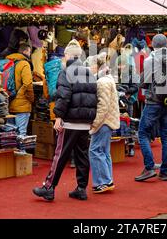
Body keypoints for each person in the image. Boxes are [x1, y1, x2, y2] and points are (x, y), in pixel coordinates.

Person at [33, 40, 97, 201]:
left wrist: (58, 116)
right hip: (85, 121)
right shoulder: (89, 73)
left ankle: (49, 187)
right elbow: (95, 96)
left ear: (67, 55)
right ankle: (81, 188)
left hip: (70, 120)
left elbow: (63, 96)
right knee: (82, 155)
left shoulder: (66, 71)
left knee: (60, 154)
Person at [135, 34, 167, 182]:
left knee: (143, 133)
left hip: (153, 101)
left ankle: (149, 167)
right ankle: (164, 171)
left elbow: (144, 83)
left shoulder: (150, 60)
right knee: (166, 136)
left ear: (152, 44)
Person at [88, 53, 120, 194]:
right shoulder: (107, 79)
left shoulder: (102, 82)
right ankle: (107, 180)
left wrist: (95, 123)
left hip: (104, 121)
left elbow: (103, 106)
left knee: (95, 151)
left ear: (96, 66)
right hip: (109, 120)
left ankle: (103, 181)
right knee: (103, 151)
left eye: (90, 65)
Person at [7, 44, 35, 137]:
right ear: (26, 51)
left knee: (10, 135)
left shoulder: (9, 62)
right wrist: (31, 99)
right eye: (30, 52)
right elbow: (28, 83)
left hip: (9, 102)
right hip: (22, 104)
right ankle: (21, 151)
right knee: (21, 133)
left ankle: (13, 152)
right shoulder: (24, 63)